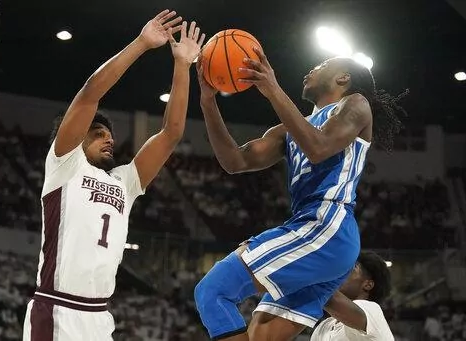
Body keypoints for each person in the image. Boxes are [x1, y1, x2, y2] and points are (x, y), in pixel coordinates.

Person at [194, 46, 407, 341]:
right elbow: (234, 161)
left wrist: (272, 89)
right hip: (315, 234)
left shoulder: (355, 104)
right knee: (260, 337)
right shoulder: (287, 130)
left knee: (211, 291)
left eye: (322, 64)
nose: (311, 69)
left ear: (343, 77)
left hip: (325, 226)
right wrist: (208, 102)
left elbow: (318, 148)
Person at [22, 10, 205, 341]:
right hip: (57, 309)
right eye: (98, 133)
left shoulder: (124, 182)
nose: (110, 139)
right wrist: (141, 44)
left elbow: (171, 133)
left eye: (109, 134)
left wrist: (182, 66)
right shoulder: (65, 165)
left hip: (99, 316)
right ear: (77, 136)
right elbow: (91, 93)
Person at [308, 250, 394, 341]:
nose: (340, 274)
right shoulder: (324, 327)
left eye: (351, 269)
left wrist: (306, 270)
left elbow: (327, 295)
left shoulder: (372, 309)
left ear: (368, 285)